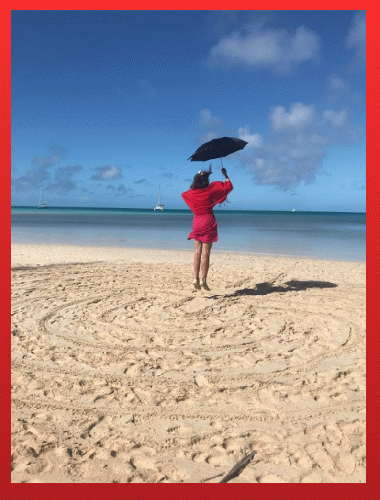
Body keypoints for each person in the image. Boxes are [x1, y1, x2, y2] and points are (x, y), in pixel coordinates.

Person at [182, 165, 233, 290]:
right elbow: (229, 187)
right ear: (206, 181)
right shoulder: (210, 190)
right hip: (208, 220)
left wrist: (193, 187)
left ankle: (195, 278)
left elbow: (184, 194)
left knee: (197, 252)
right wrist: (225, 175)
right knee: (206, 254)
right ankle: (203, 280)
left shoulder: (192, 193)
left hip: (197, 221)